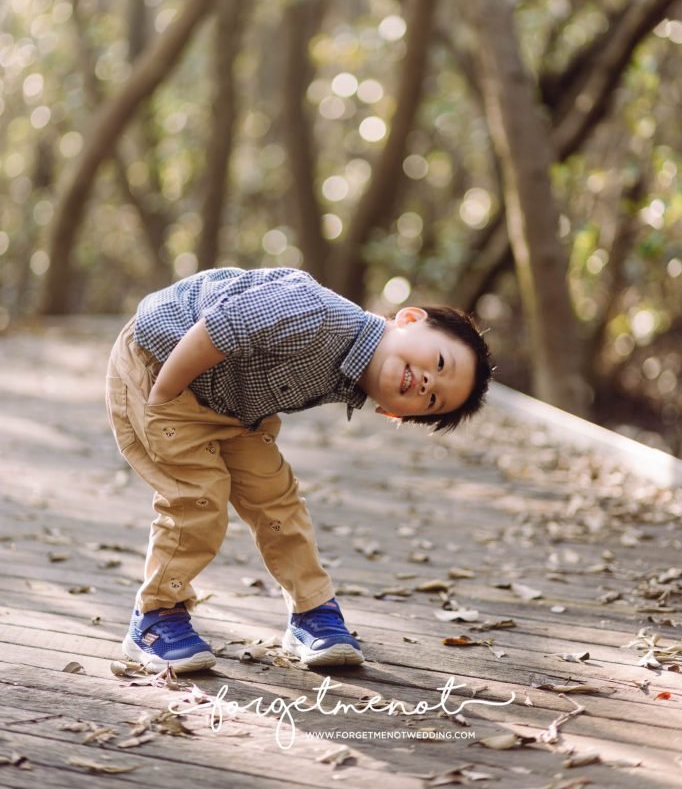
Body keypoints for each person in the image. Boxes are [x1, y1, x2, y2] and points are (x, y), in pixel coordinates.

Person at [105, 266, 492, 672]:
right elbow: (222, 325)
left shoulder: (353, 374)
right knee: (198, 497)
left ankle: (312, 611)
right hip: (161, 366)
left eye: (433, 400)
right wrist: (165, 392)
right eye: (440, 363)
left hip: (231, 405)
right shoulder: (317, 313)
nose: (428, 383)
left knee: (277, 499)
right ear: (409, 319)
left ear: (392, 414)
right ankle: (155, 616)